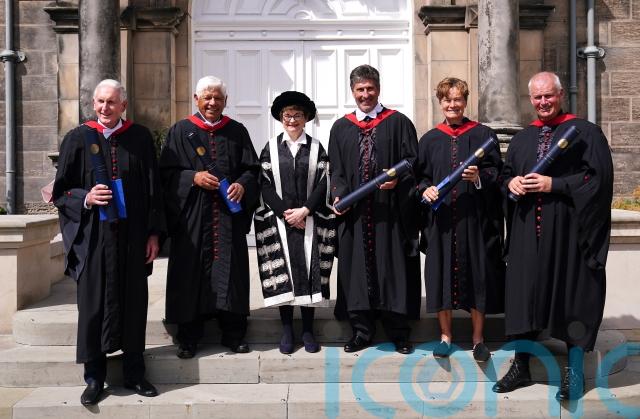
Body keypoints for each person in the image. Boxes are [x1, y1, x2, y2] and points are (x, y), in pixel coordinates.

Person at [493, 71, 613, 401]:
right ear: (530, 99)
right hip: (527, 234)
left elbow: (598, 179)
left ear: (560, 95)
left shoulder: (585, 133)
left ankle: (574, 372)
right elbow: (505, 177)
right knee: (524, 298)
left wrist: (555, 184)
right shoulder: (522, 139)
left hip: (568, 234)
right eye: (538, 97)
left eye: (549, 95)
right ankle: (521, 366)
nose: (543, 102)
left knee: (571, 298)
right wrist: (510, 183)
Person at [53, 79, 164, 405]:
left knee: (134, 304)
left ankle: (134, 373)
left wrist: (154, 233)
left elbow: (154, 188)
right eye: (100, 101)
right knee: (92, 307)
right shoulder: (78, 138)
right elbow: (61, 192)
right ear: (94, 104)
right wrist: (86, 198)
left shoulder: (139, 138)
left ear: (123, 106)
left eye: (111, 102)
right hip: (94, 239)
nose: (105, 107)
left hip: (132, 237)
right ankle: (94, 378)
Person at [160, 75, 260, 359]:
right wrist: (193, 178)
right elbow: (165, 174)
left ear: (225, 101)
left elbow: (252, 170)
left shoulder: (237, 131)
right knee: (190, 273)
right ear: (196, 99)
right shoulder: (180, 131)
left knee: (231, 271)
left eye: (218, 98)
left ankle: (234, 333)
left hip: (228, 217)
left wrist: (242, 185)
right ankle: (188, 337)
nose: (212, 102)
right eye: (207, 97)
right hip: (192, 218)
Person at [328, 64, 420, 354]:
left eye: (370, 88)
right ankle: (361, 331)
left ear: (378, 89)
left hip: (388, 213)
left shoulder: (398, 122)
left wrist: (399, 181)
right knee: (356, 271)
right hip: (355, 215)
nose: (365, 94)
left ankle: (399, 333)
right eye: (360, 89)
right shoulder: (341, 127)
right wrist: (338, 195)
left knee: (392, 269)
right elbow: (336, 169)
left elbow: (413, 162)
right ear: (352, 91)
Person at [416, 77, 505, 361]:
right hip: (441, 221)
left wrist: (479, 178)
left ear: (465, 101)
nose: (452, 104)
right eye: (447, 100)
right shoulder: (429, 139)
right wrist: (424, 189)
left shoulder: (483, 135)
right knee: (440, 275)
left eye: (457, 99)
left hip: (473, 220)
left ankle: (479, 339)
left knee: (478, 275)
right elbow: (420, 177)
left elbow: (497, 173)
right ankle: (446, 336)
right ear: (440, 102)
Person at [254, 91, 336, 354]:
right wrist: (285, 214)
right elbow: (264, 185)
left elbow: (324, 182)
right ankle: (287, 329)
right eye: (287, 115)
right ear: (281, 118)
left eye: (297, 115)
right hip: (280, 222)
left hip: (309, 220)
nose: (292, 120)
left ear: (306, 118)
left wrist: (305, 210)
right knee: (285, 276)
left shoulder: (317, 148)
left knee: (310, 273)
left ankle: (308, 330)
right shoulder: (270, 148)